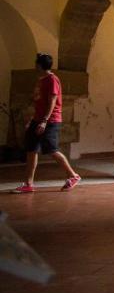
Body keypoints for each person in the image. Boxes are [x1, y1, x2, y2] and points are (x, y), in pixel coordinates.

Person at [11, 54, 80, 193]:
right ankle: (28, 184)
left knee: (51, 149)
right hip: (38, 119)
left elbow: (52, 101)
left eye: (36, 63)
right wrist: (33, 119)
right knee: (31, 149)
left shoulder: (52, 80)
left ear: (39, 65)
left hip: (50, 120)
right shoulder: (41, 80)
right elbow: (39, 103)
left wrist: (44, 121)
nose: (35, 66)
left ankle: (73, 176)